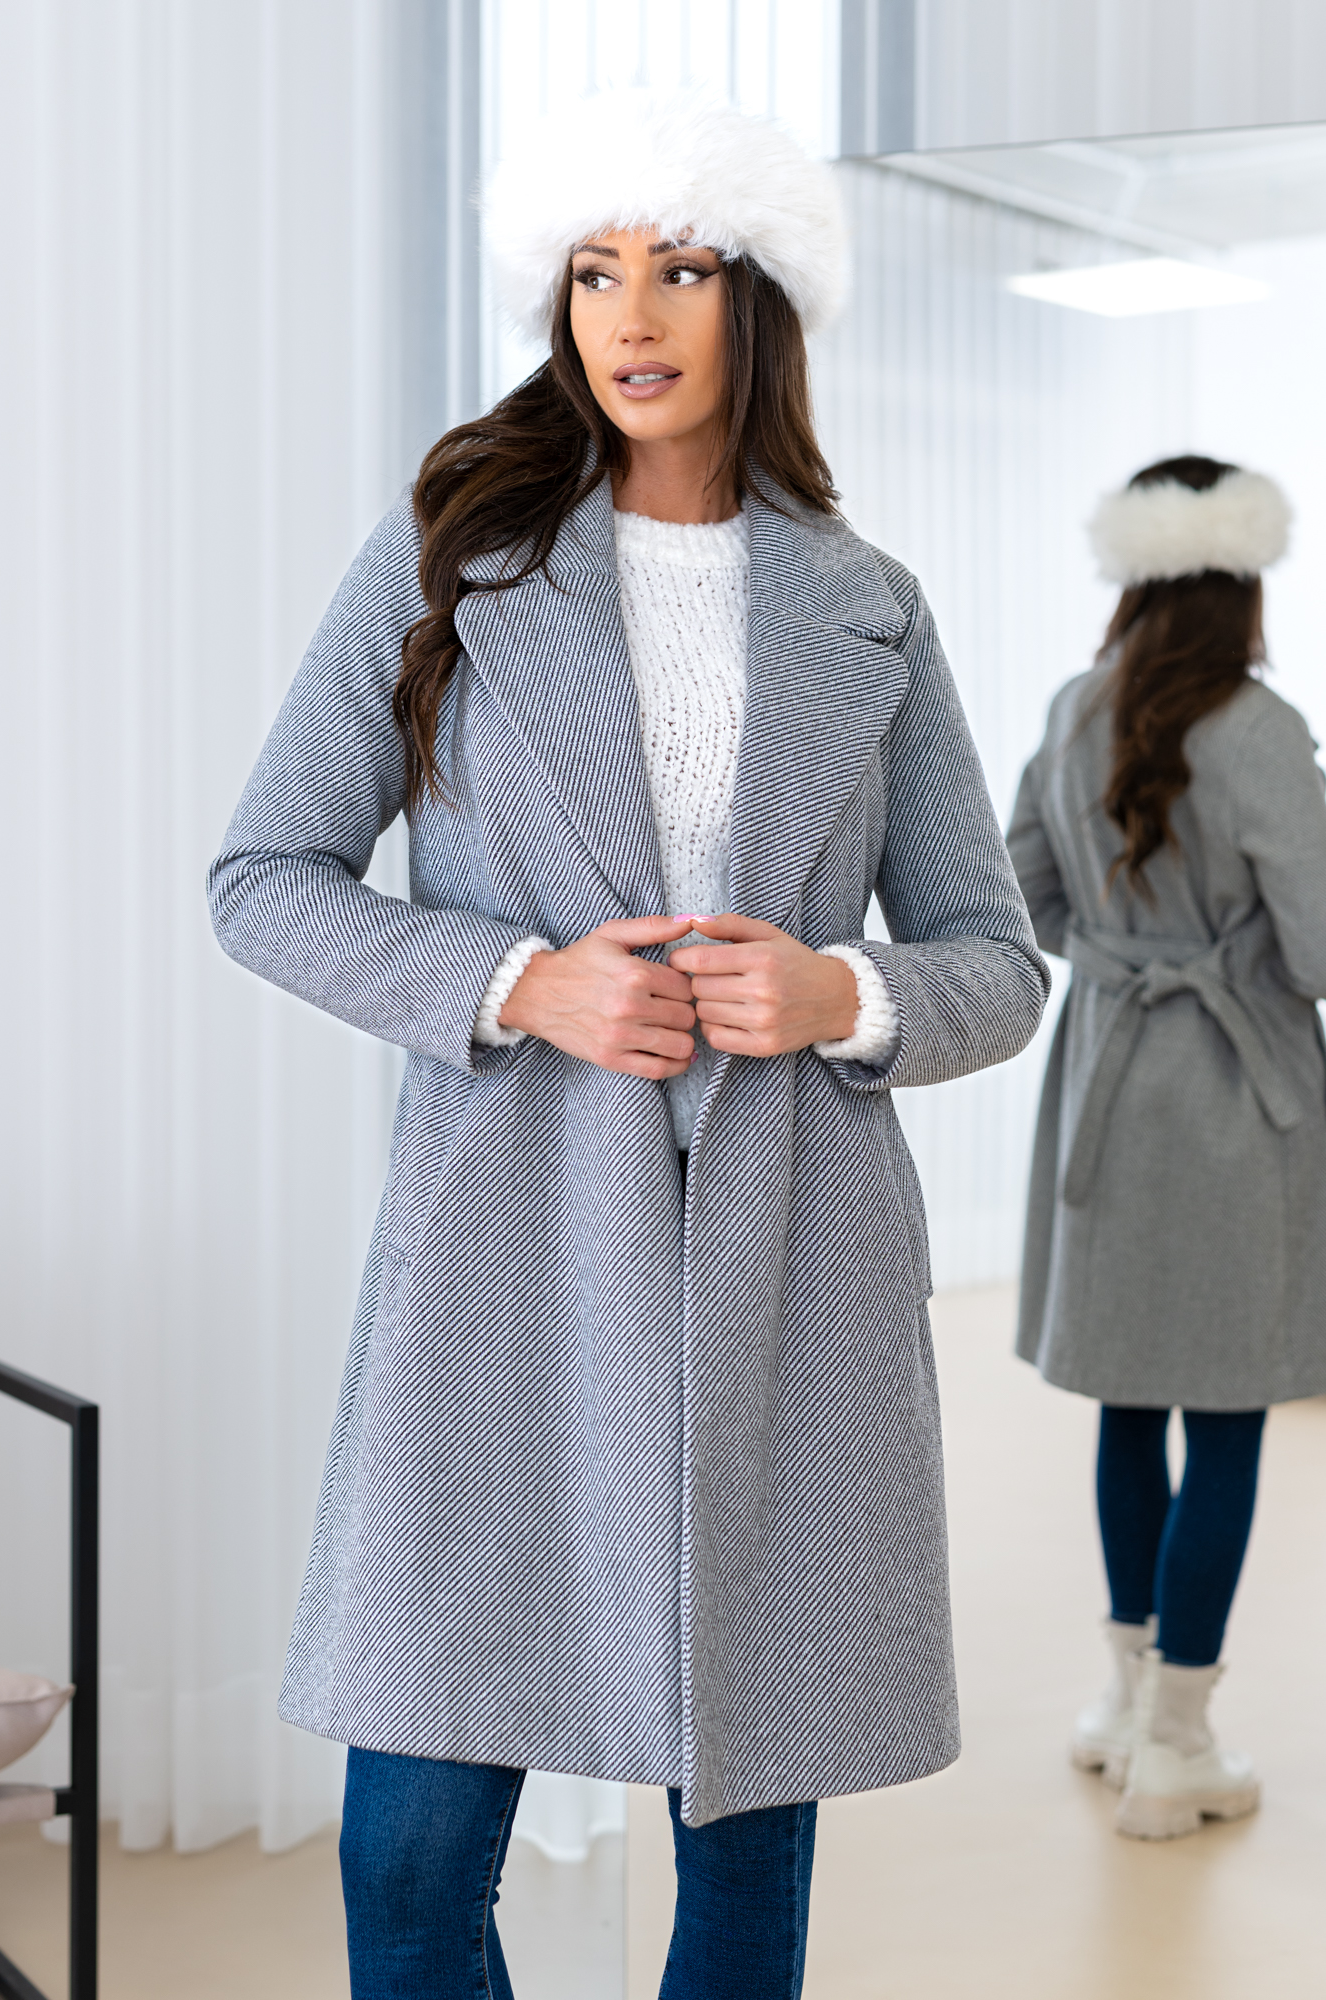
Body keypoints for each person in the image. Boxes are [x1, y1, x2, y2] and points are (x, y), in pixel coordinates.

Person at [209, 90, 1047, 1997]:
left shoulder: (869, 607)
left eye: (680, 266)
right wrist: (519, 981)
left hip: (791, 1286)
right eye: (595, 271)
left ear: (763, 303)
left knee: (740, 1886)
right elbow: (263, 877)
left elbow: (995, 961)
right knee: (410, 1867)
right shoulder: (451, 555)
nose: (633, 312)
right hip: (507, 1269)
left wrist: (844, 996)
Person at [1009, 454, 1326, 1842]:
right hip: (1240, 1104)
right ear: (1242, 584)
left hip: (1111, 1084)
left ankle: (1123, 1706)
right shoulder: (1261, 730)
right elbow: (1319, 951)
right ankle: (1179, 1743)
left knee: (1129, 1402)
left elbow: (1022, 896)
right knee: (1230, 1413)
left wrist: (1123, 957)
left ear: (1131, 583)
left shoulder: (1072, 709)